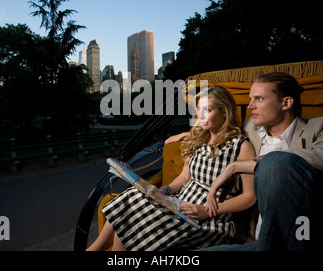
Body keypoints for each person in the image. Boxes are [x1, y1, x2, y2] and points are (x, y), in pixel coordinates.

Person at [167, 72, 323, 251]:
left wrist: (236, 167)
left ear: (286, 102)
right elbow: (222, 131)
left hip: (299, 236)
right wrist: (193, 134)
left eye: (259, 99)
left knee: (275, 164)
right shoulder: (251, 129)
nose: (250, 106)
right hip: (254, 238)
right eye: (250, 98)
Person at [86, 85, 257, 251]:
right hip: (180, 204)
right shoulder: (199, 140)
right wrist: (164, 190)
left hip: (208, 219)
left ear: (224, 113)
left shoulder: (241, 147)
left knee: (125, 235)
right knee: (133, 195)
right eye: (199, 109)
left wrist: (206, 211)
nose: (200, 115)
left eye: (208, 110)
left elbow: (249, 197)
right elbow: (184, 177)